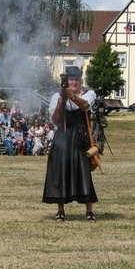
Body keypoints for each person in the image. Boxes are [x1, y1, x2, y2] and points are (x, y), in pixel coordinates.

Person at [42, 66, 98, 222]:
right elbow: (54, 121)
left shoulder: (88, 94)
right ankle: (60, 210)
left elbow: (85, 106)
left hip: (80, 138)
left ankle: (89, 210)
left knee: (84, 173)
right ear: (66, 81)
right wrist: (61, 103)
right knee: (61, 172)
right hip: (63, 137)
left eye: (77, 80)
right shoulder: (56, 96)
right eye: (71, 80)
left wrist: (70, 96)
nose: (74, 82)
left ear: (80, 81)